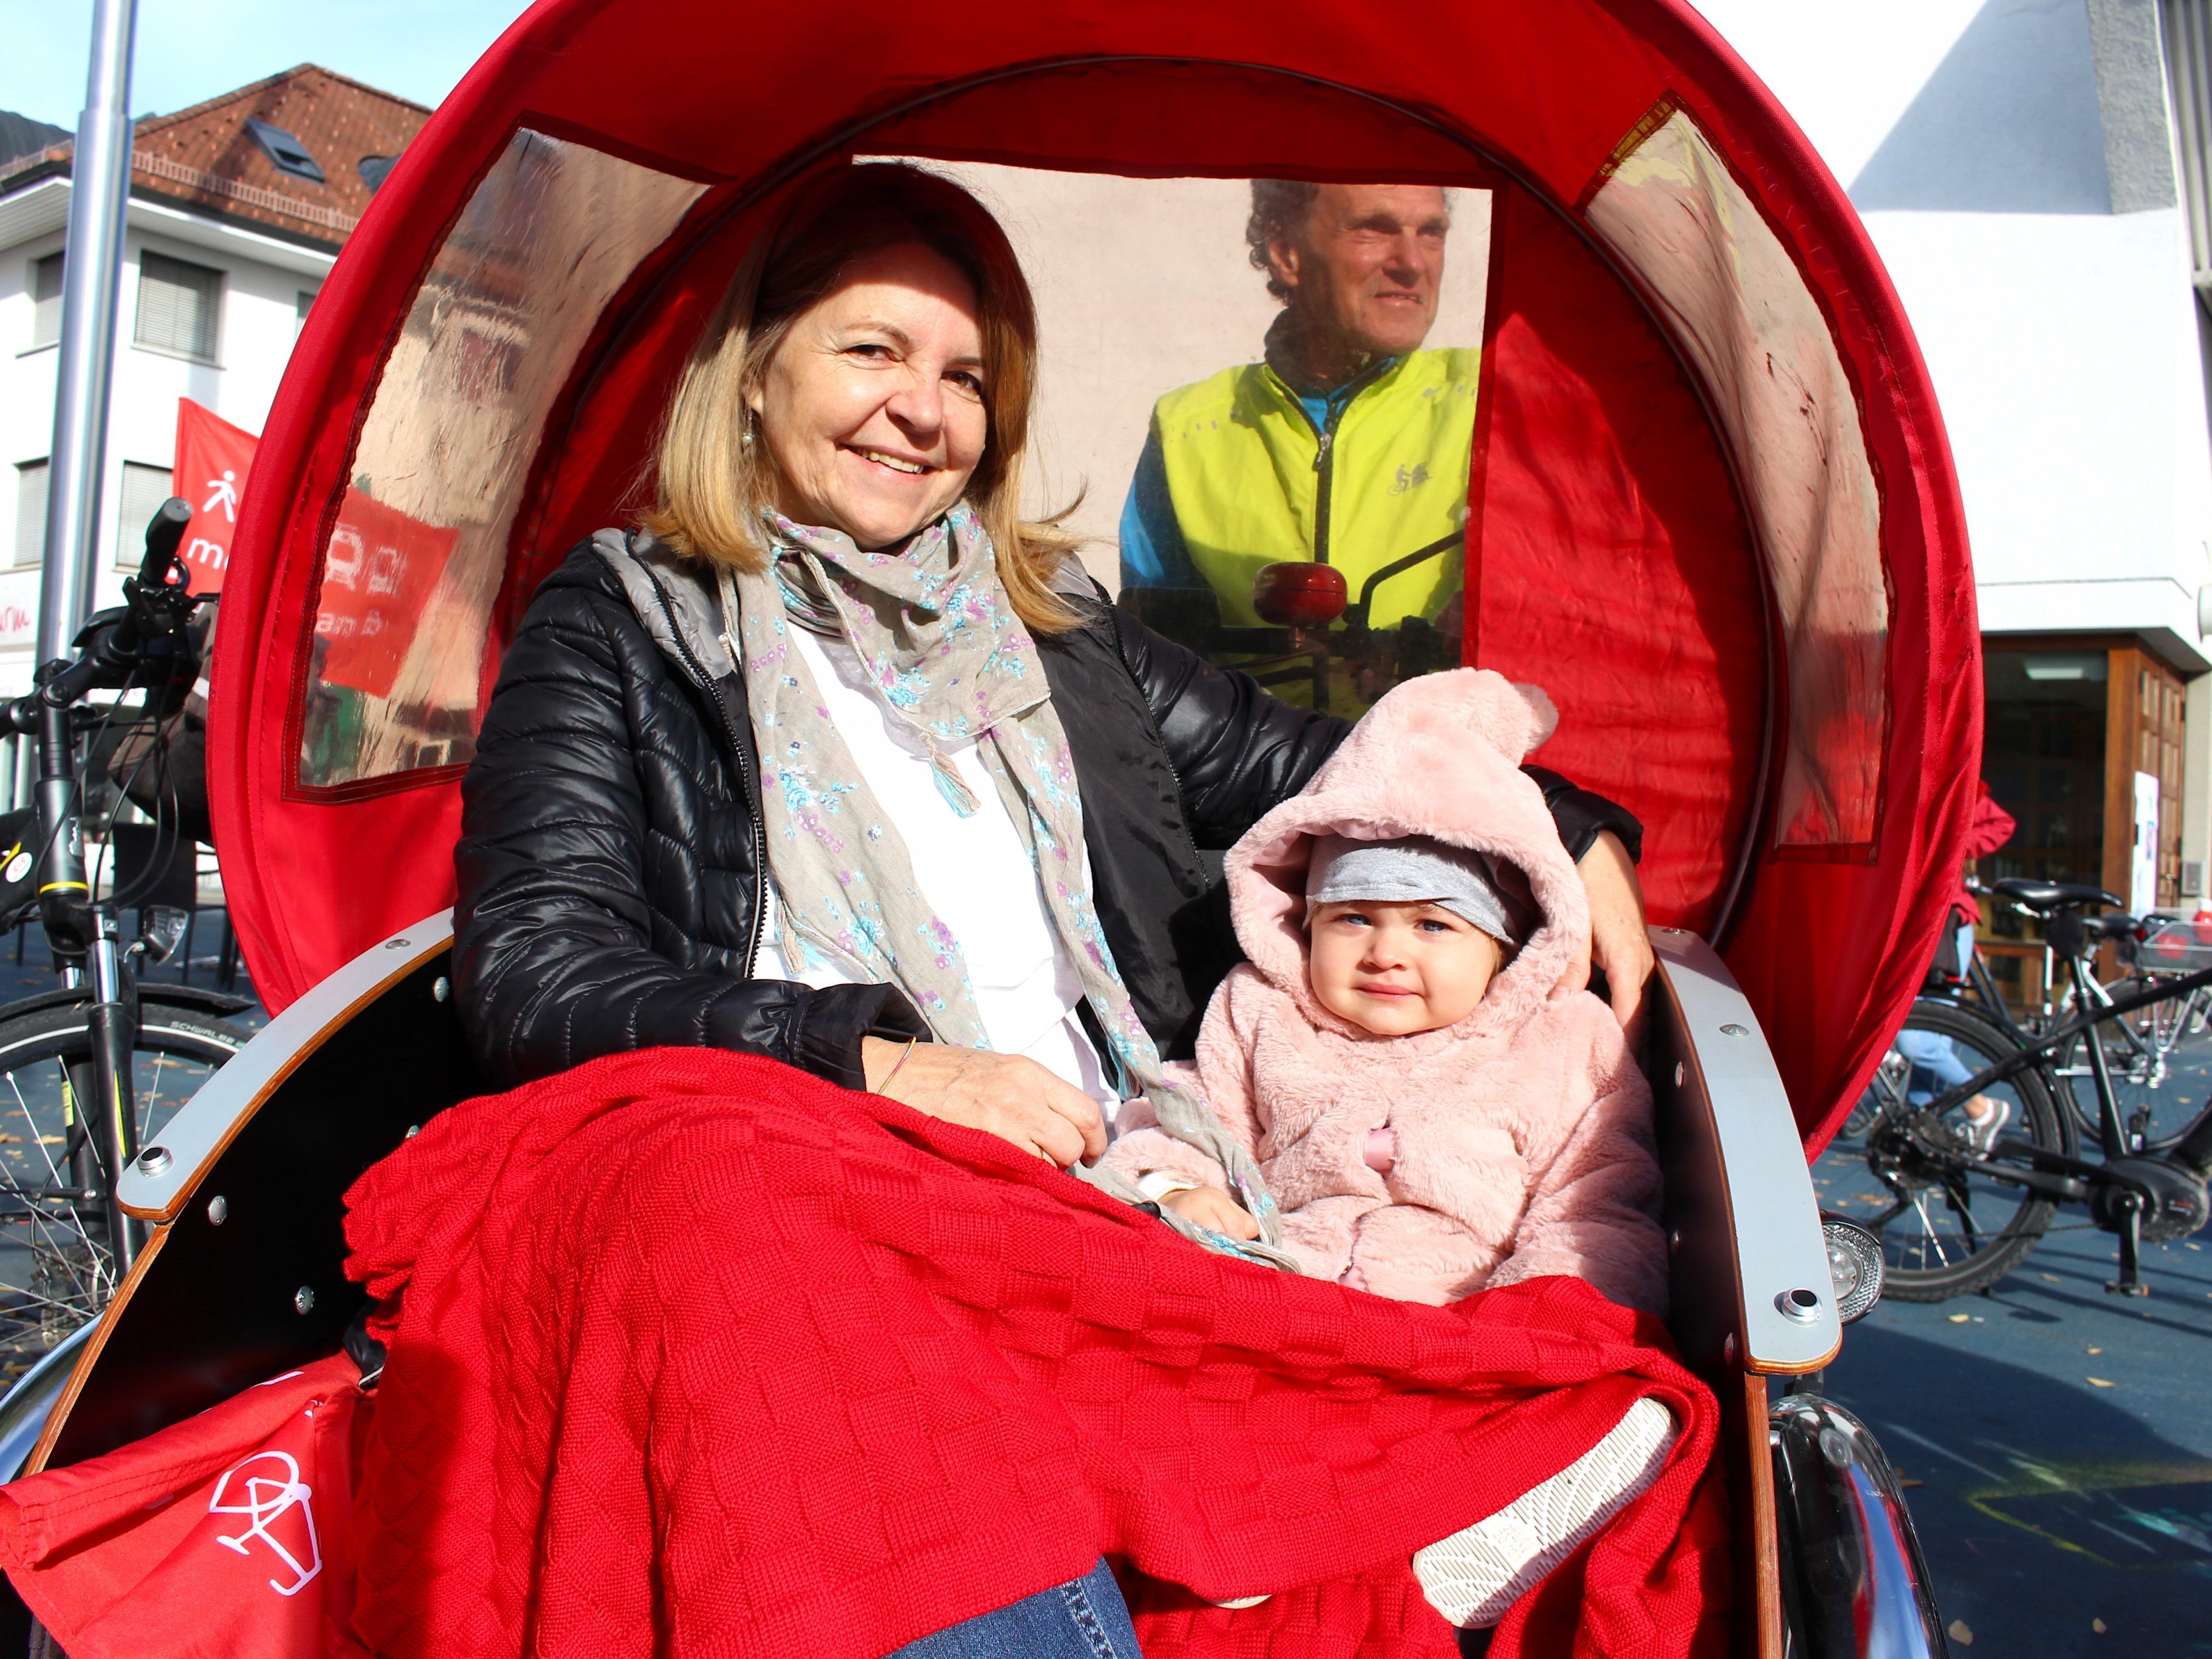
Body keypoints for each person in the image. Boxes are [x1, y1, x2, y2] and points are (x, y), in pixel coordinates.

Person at [450, 161, 1663, 1653]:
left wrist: (1573, 822)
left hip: (1107, 1153)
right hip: (831, 1147)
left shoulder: (1058, 628)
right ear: (755, 373)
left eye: (965, 374)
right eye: (874, 350)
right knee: (735, 1208)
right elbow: (535, 963)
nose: (923, 409)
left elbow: (1345, 774)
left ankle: (1348, 1495)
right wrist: (878, 1063)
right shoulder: (631, 620)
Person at [1104, 670, 1665, 1317]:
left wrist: (1537, 1311)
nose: (1385, 952)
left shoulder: (1559, 1042)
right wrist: (1174, 1186)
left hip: (1463, 1311)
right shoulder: (1262, 1012)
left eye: (1432, 925)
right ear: (1305, 925)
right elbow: (1195, 1118)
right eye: (1352, 918)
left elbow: (1594, 1199)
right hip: (1285, 1296)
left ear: (1504, 947)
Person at [1117, 180, 1476, 694]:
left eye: (1431, 233)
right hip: (1247, 767)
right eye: (1373, 230)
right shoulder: (1189, 426)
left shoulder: (1492, 402)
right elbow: (1156, 672)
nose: (1413, 263)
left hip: (1443, 763)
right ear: (1286, 255)